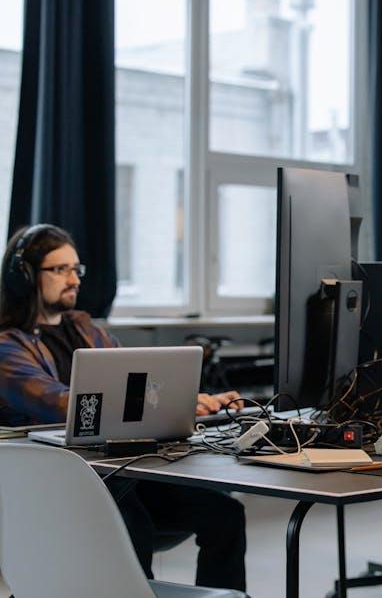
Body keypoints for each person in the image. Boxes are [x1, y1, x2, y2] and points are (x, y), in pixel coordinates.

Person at [0, 224, 248, 591]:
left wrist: (188, 402)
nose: (74, 279)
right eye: (61, 269)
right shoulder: (7, 347)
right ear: (25, 277)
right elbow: (63, 405)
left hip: (121, 472)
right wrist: (149, 401)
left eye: (77, 269)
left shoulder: (88, 329)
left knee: (225, 513)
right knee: (130, 520)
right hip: (65, 483)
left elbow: (139, 388)